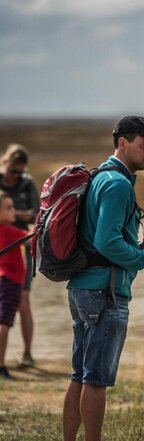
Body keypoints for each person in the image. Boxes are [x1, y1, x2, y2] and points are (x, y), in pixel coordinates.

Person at [55, 116, 144, 441]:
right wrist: (143, 259)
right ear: (122, 142)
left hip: (83, 287)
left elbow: (101, 237)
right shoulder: (118, 184)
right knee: (96, 377)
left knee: (80, 373)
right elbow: (105, 242)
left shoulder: (101, 177)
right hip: (104, 293)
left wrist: (135, 246)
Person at [0, 143, 39, 368]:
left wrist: (26, 216)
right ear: (4, 163)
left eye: (20, 171)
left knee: (23, 301)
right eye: (13, 170)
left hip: (19, 247)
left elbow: (38, 212)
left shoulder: (27, 183)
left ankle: (27, 352)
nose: (16, 175)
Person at [0, 192, 29, 380]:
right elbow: (33, 237)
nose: (14, 211)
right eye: (9, 208)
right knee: (4, 324)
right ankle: (1, 365)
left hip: (6, 280)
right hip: (9, 282)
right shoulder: (8, 231)